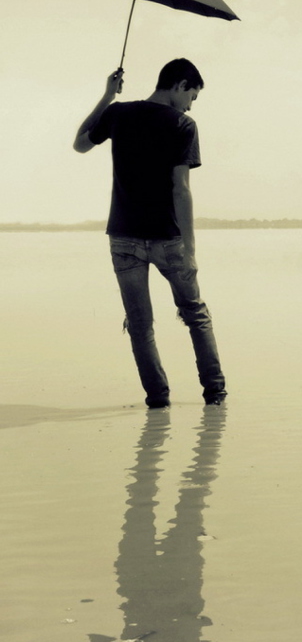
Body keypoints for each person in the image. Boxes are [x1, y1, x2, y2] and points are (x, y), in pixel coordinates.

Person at [74, 58, 226, 408]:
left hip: (123, 237)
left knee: (141, 325)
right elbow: (180, 189)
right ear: (180, 85)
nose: (191, 104)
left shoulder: (118, 113)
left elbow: (80, 144)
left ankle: (158, 401)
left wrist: (106, 97)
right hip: (168, 239)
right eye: (193, 95)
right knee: (196, 315)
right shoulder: (183, 124)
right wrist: (190, 248)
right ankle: (215, 395)